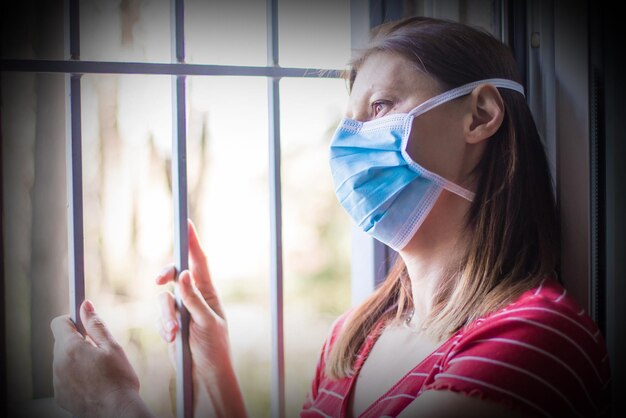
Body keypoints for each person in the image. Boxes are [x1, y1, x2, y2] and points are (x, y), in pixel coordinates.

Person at [51, 16, 611, 418]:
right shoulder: (358, 333)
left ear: (480, 114)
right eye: (349, 122)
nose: (350, 144)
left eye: (381, 107)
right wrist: (217, 368)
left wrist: (113, 406)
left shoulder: (532, 341)